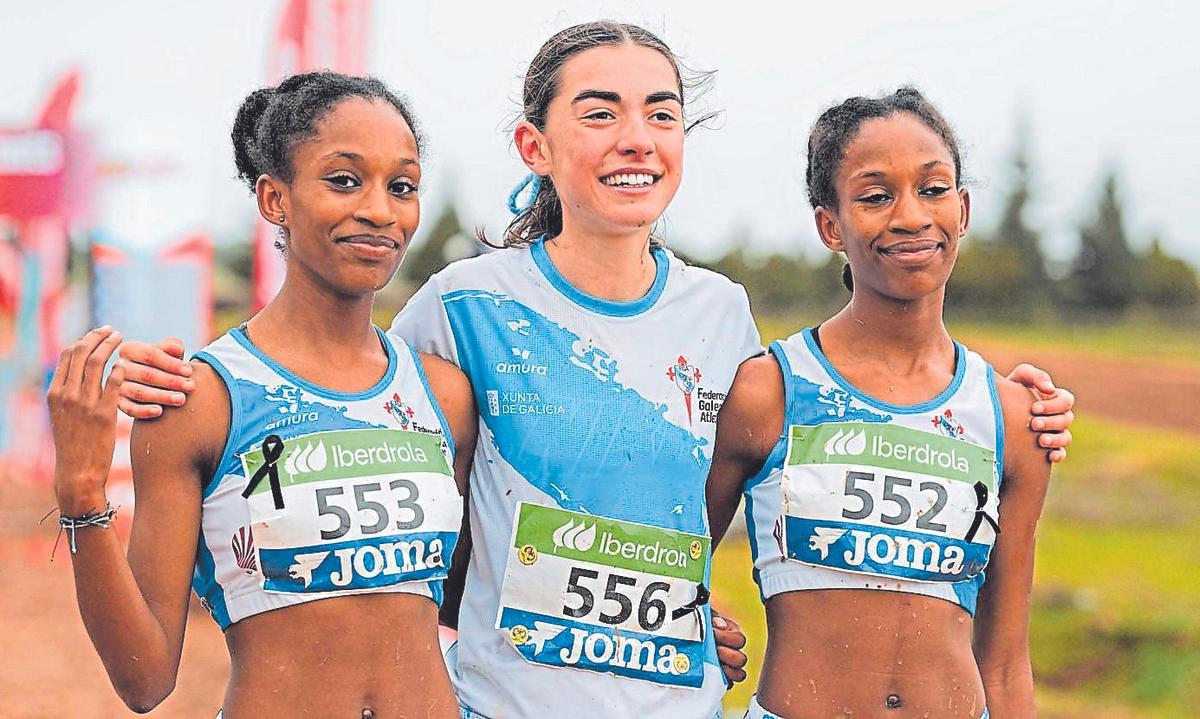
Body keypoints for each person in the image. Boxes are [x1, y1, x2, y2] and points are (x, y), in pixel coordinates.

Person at [115, 23, 1073, 719]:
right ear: (535, 146)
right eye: (600, 112)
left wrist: (687, 606)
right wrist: (192, 392)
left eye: (661, 113)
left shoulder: (721, 315)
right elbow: (370, 460)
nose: (636, 136)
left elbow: (696, 519)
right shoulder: (460, 305)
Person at [47, 72, 477, 718]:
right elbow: (144, 678)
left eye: (402, 186)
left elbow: (472, 602)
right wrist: (81, 492)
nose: (380, 210)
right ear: (275, 199)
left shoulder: (443, 395)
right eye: (344, 180)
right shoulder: (202, 401)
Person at [706, 88, 1060, 719]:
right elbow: (670, 574)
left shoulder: (1011, 418)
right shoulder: (769, 392)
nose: (911, 216)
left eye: (933, 189)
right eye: (875, 196)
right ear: (830, 226)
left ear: (963, 210)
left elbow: (1005, 663)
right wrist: (699, 624)